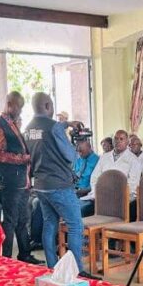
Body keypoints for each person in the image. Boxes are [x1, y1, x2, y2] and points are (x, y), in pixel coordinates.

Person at [25, 92, 89, 274]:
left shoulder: (29, 129)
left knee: (49, 224)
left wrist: (66, 124)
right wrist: (74, 147)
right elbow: (70, 156)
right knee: (76, 225)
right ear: (47, 106)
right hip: (60, 184)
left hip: (41, 185)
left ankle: (52, 267)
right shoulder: (54, 128)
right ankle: (76, 270)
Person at [0, 91, 41, 265]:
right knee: (10, 220)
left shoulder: (13, 124)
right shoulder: (1, 125)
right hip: (11, 182)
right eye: (19, 107)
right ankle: (7, 258)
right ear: (10, 104)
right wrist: (24, 158)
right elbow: (0, 154)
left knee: (23, 219)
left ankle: (24, 254)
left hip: (22, 182)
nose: (20, 111)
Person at [81, 129, 141, 217]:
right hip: (101, 194)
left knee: (86, 210)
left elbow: (133, 183)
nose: (118, 141)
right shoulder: (104, 157)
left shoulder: (134, 160)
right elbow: (94, 177)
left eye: (121, 139)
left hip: (122, 196)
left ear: (127, 142)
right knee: (79, 208)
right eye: (116, 139)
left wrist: (113, 194)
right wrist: (98, 191)